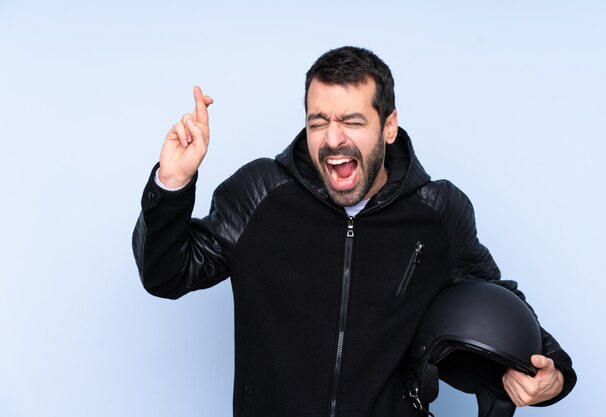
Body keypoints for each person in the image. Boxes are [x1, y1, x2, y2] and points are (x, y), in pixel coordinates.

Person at [132, 46, 576, 417]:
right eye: (318, 121)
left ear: (388, 126)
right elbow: (166, 274)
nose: (332, 139)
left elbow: (494, 298)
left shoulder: (437, 211)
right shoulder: (260, 193)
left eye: (352, 121)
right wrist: (172, 185)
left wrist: (552, 372)